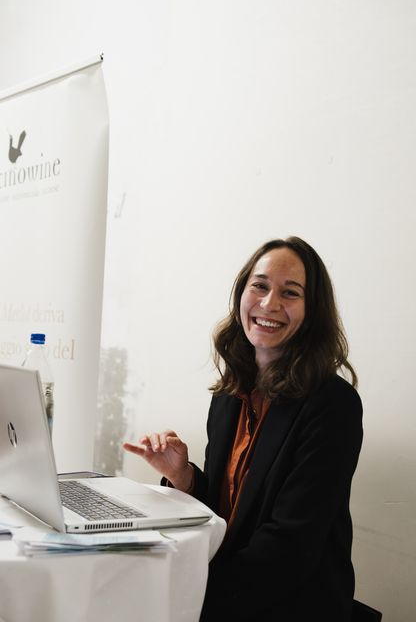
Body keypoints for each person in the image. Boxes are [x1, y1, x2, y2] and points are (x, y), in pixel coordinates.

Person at [123, 237, 363, 622]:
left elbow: (290, 546)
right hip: (229, 589)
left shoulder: (333, 405)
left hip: (289, 605)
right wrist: (184, 477)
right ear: (242, 294)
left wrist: (189, 600)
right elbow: (227, 515)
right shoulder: (230, 394)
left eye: (290, 292)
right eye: (260, 286)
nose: (269, 304)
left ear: (312, 311)